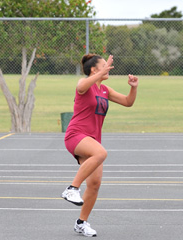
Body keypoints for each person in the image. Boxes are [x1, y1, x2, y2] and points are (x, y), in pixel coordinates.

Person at [61, 54, 138, 236]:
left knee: (94, 184)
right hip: (76, 135)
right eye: (104, 65)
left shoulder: (104, 90)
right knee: (101, 153)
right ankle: (71, 189)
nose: (109, 68)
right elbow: (81, 85)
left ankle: (81, 222)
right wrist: (99, 73)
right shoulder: (84, 85)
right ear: (94, 70)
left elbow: (128, 102)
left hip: (92, 139)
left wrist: (134, 88)